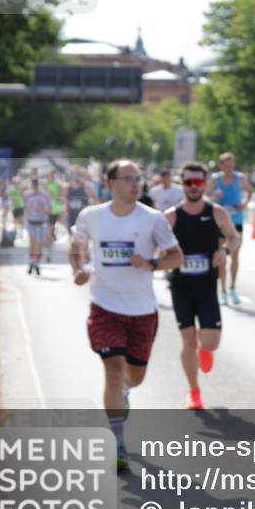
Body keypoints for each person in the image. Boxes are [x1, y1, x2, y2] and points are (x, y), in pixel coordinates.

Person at [69, 159, 182, 471]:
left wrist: (152, 264)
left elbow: (176, 256)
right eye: (129, 178)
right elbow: (76, 245)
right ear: (111, 183)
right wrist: (78, 269)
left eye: (139, 179)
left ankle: (126, 392)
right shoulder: (91, 216)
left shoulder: (152, 219)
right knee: (113, 370)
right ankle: (116, 441)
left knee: (135, 376)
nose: (136, 184)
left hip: (142, 312)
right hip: (104, 308)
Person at [165, 162, 240, 410]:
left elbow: (234, 236)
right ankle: (194, 392)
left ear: (205, 184)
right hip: (181, 287)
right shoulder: (171, 216)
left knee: (210, 342)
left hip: (207, 286)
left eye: (198, 182)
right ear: (182, 184)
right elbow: (156, 244)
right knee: (187, 341)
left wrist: (225, 250)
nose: (194, 187)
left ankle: (204, 348)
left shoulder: (217, 212)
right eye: (189, 182)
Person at [207, 152, 252, 305]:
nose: (229, 167)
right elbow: (205, 197)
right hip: (220, 222)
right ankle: (223, 291)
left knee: (235, 255)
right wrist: (215, 198)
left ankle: (233, 287)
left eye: (231, 164)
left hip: (236, 220)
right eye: (226, 164)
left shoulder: (240, 178)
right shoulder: (215, 179)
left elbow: (249, 191)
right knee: (221, 256)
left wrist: (245, 203)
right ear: (221, 165)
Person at [22, 179, 51, 275]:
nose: (35, 189)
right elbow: (24, 207)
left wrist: (42, 210)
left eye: (36, 187)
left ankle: (37, 263)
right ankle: (31, 261)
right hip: (31, 222)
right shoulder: (26, 194)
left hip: (41, 222)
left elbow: (49, 209)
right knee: (32, 242)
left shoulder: (44, 195)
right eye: (33, 187)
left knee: (39, 243)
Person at [64, 167, 97, 234]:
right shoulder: (68, 187)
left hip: (82, 214)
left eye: (77, 175)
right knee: (71, 233)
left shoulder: (86, 186)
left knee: (82, 235)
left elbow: (95, 199)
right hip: (72, 214)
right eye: (73, 175)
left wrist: (89, 207)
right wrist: (66, 208)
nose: (75, 177)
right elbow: (66, 200)